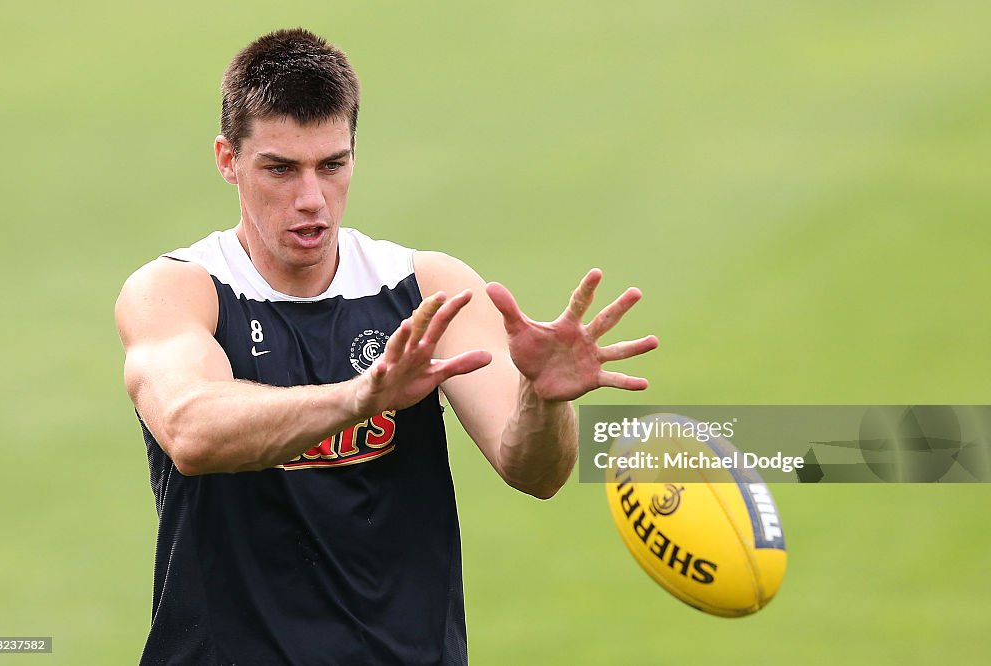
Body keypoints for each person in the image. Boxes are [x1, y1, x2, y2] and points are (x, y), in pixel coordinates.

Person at [115, 27, 658, 665]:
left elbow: (535, 472)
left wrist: (543, 401)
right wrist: (361, 397)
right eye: (281, 169)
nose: (311, 199)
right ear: (228, 159)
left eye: (332, 165)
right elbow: (192, 432)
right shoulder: (178, 290)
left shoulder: (427, 287)